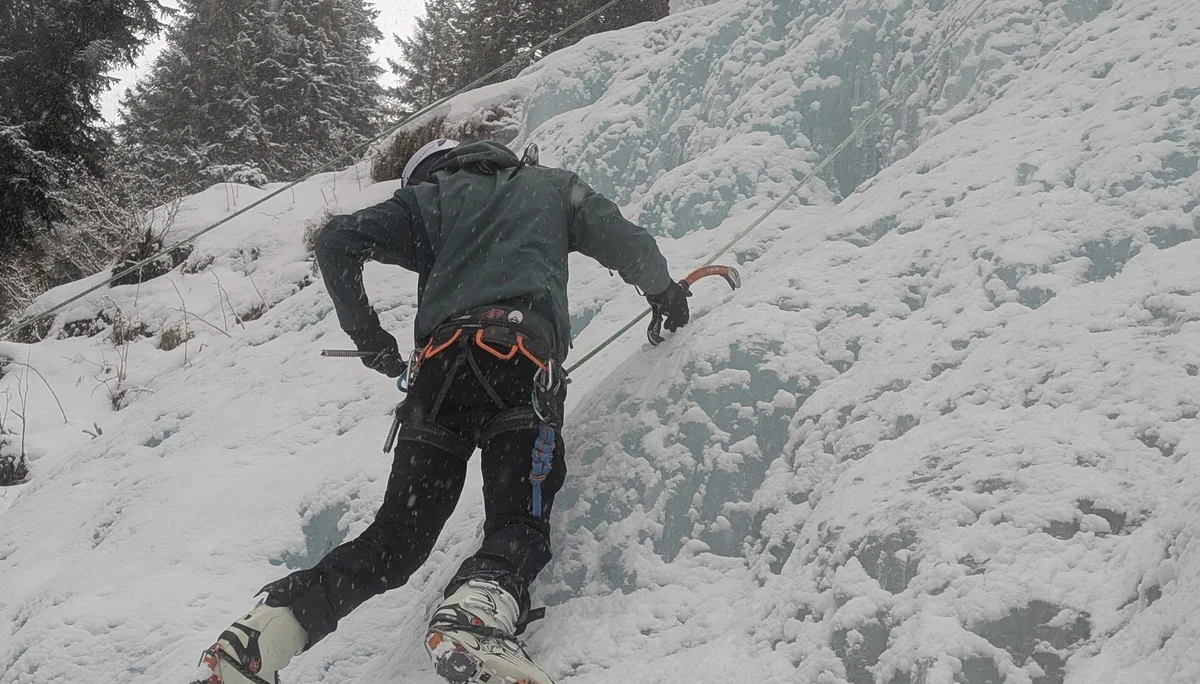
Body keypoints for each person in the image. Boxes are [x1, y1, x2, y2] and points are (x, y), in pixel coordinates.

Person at [192, 139, 691, 684]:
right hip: (518, 369)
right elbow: (626, 242)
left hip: (438, 378)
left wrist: (369, 338)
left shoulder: (426, 201)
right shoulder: (551, 187)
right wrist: (664, 292)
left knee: (394, 541)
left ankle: (259, 640)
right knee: (518, 521)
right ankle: (475, 616)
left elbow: (337, 240)